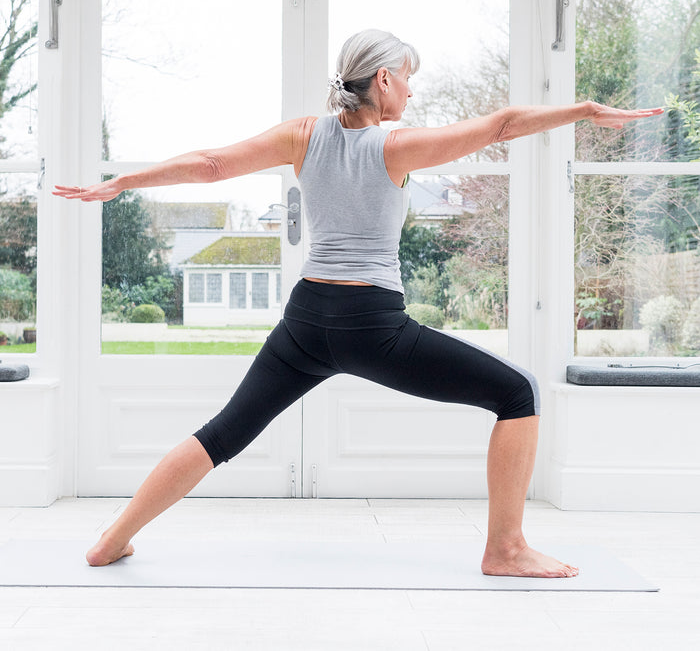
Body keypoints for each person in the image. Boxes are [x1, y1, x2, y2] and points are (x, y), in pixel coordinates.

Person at [54, 29, 662, 577]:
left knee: (225, 432)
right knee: (516, 393)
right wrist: (583, 110)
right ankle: (504, 549)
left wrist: (125, 182)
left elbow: (212, 164)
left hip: (305, 320)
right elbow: (501, 125)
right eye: (409, 80)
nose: (412, 95)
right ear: (384, 80)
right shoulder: (395, 145)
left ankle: (113, 538)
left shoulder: (303, 135)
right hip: (372, 325)